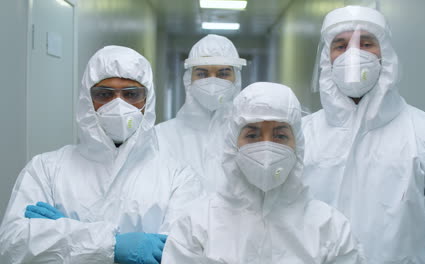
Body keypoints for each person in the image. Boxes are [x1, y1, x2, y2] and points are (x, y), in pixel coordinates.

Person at [0, 46, 203, 264]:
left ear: (148, 100)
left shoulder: (178, 178)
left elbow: (181, 255)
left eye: (131, 94)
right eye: (104, 94)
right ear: (87, 99)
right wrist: (111, 245)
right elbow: (13, 245)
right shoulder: (46, 169)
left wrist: (65, 235)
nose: (118, 104)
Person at [302, 6, 425, 263]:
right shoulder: (302, 135)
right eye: (341, 46)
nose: (353, 55)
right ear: (327, 58)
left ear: (386, 54)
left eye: (366, 43)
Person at [161, 82, 366, 263]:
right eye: (252, 134)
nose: (266, 147)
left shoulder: (330, 228)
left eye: (280, 135)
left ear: (298, 146)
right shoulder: (196, 226)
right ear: (233, 144)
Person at [155, 34, 246, 193]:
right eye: (202, 74)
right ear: (189, 79)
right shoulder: (161, 137)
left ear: (236, 79)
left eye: (223, 74)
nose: (212, 83)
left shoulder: (249, 135)